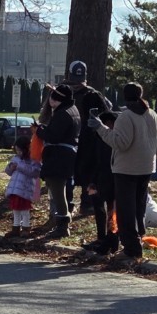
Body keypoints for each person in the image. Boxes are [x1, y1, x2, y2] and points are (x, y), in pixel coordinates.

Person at [89, 82, 157, 262]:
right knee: (139, 208)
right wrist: (154, 158)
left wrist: (100, 127)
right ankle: (138, 240)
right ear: (141, 94)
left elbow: (120, 143)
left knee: (125, 211)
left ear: (125, 95)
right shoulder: (152, 114)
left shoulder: (126, 117)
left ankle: (131, 249)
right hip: (146, 167)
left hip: (126, 169)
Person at [66, 60, 111, 217]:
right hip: (72, 138)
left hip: (88, 140)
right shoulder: (66, 93)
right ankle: (68, 205)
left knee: (88, 173)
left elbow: (107, 113)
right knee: (70, 173)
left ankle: (87, 203)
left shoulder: (92, 94)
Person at [35, 83, 80, 238]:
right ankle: (61, 222)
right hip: (66, 156)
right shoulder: (72, 111)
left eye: (52, 96)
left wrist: (39, 131)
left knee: (58, 192)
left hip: (59, 157)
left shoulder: (62, 114)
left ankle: (62, 225)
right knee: (59, 191)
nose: (50, 99)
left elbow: (54, 136)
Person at [82, 111, 120, 255]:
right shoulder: (99, 138)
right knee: (104, 209)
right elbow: (97, 161)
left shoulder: (112, 139)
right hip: (101, 178)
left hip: (112, 179)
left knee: (113, 211)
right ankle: (105, 238)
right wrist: (93, 180)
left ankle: (112, 240)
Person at [3, 135, 41, 236]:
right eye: (17, 151)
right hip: (15, 189)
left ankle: (26, 227)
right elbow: (8, 172)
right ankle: (15, 227)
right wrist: (10, 167)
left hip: (25, 189)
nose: (18, 153)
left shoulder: (32, 160)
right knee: (15, 209)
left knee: (24, 210)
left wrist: (19, 166)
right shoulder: (15, 158)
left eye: (20, 150)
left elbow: (34, 172)